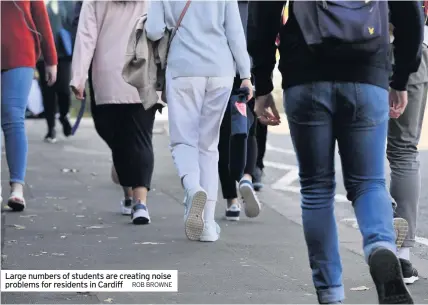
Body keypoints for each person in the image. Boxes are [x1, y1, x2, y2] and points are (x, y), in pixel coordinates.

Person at [248, 1, 423, 304]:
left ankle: (330, 293)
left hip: (305, 73)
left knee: (316, 188)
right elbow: (410, 13)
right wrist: (401, 76)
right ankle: (381, 246)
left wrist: (262, 83)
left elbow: (262, 14)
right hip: (368, 72)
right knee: (369, 182)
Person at [146, 0, 252, 242]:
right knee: (208, 145)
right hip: (220, 69)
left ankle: (193, 188)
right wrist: (245, 75)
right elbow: (235, 30)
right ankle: (207, 226)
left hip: (183, 68)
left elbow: (153, 30)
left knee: (183, 141)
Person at [71, 0, 154, 225]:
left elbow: (86, 35)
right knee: (138, 140)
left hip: (110, 76)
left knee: (124, 138)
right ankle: (136, 201)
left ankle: (137, 201)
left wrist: (79, 76)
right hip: (141, 73)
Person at [1, 0, 58, 212]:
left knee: (13, 116)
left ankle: (17, 188)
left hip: (20, 51)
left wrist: (51, 59)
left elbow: (41, 17)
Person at [389, 3, 428, 285]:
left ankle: (377, 235)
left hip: (352, 54)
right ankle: (401, 256)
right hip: (410, 46)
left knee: (360, 147)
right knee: (403, 151)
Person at [218, 0, 262, 221]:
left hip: (218, 67)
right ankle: (246, 176)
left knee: (222, 136)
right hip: (247, 69)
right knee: (247, 127)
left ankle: (231, 202)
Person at [37, 0, 75, 143]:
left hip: (63, 55)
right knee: (48, 93)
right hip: (43, 56)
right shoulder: (38, 2)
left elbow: (74, 25)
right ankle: (50, 129)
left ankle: (64, 115)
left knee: (64, 90)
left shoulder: (67, 3)